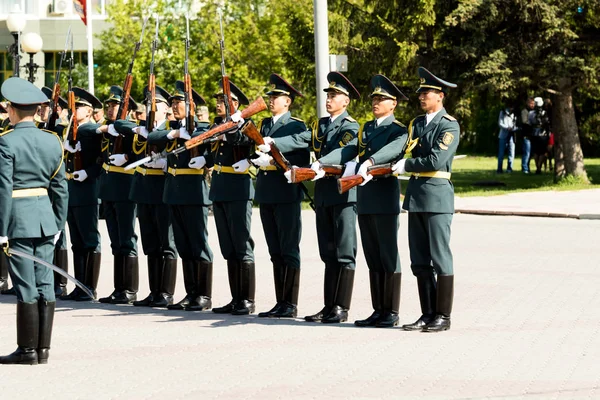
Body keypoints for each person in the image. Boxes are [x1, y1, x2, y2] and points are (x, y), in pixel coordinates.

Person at [257, 71, 360, 323]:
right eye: (328, 95)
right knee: (328, 252)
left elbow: (344, 150)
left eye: (334, 96)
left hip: (342, 193)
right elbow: (299, 139)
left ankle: (341, 307)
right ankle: (328, 306)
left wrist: (320, 163)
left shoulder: (351, 126)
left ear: (345, 101)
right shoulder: (320, 125)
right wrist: (272, 142)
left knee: (343, 252)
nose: (329, 99)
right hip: (324, 194)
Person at [318, 74, 408, 328]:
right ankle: (378, 309)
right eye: (374, 98)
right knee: (373, 256)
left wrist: (369, 162)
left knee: (388, 255)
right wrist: (323, 162)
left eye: (381, 99)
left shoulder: (398, 129)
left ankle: (391, 311)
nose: (375, 102)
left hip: (384, 197)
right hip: (366, 198)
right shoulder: (367, 128)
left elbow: (393, 150)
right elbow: (350, 149)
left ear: (394, 104)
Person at [0, 77, 68, 364]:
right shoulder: (52, 141)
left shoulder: (6, 142)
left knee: (25, 284)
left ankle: (27, 350)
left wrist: (1, 229)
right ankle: (43, 349)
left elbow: (3, 188)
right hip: (45, 220)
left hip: (17, 219)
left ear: (12, 111)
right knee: (45, 282)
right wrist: (58, 225)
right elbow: (61, 188)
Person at [393, 67, 460, 333]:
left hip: (437, 196)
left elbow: (436, 160)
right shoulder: (417, 124)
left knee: (440, 257)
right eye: (421, 92)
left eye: (427, 92)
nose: (422, 96)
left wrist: (406, 165)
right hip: (417, 197)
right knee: (419, 260)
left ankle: (443, 316)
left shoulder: (448, 124)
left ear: (440, 96)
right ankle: (427, 313)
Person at [148, 81, 214, 311]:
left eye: (179, 102)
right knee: (184, 245)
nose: (175, 106)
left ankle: (204, 295)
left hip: (194, 192)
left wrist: (197, 141)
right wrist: (175, 132)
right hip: (174, 192)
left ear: (191, 105)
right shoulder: (172, 129)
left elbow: (210, 139)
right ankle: (190, 293)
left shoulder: (202, 127)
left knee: (198, 244)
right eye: (173, 102)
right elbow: (151, 136)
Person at [250, 74, 309, 319]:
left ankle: (291, 303)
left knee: (288, 248)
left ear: (288, 102)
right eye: (271, 96)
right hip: (266, 192)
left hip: (286, 193)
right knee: (275, 250)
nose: (272, 100)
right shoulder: (264, 124)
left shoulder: (296, 125)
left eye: (277, 97)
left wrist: (274, 157)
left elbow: (302, 157)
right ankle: (280, 301)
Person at [115, 85, 179, 308]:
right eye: (148, 104)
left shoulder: (173, 128)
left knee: (166, 243)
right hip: (143, 190)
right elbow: (118, 124)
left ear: (165, 109)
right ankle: (154, 292)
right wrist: (136, 130)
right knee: (150, 244)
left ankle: (166, 293)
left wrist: (165, 162)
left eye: (155, 104)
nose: (150, 107)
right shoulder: (141, 128)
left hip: (162, 191)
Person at [78, 85, 139, 304]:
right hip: (108, 189)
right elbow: (83, 130)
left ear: (128, 109)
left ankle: (130, 289)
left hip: (125, 189)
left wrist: (128, 158)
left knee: (127, 239)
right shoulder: (106, 128)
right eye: (110, 105)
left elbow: (140, 151)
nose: (111, 109)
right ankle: (119, 287)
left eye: (116, 105)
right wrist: (104, 130)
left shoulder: (133, 128)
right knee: (115, 241)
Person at [209, 80, 257, 316]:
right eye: (218, 101)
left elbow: (247, 141)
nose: (219, 104)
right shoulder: (217, 124)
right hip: (219, 188)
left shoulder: (246, 123)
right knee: (228, 247)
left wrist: (231, 131)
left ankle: (247, 299)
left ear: (236, 104)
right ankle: (235, 298)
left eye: (223, 101)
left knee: (241, 244)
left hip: (238, 190)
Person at [530, 97, 550, 175]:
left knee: (536, 152)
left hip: (535, 133)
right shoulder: (545, 113)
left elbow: (530, 122)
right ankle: (539, 166)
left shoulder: (531, 113)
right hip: (543, 134)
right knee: (542, 152)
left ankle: (537, 167)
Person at [497, 105, 517, 173]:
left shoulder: (515, 114)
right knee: (501, 153)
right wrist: (507, 127)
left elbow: (516, 124)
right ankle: (499, 169)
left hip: (512, 135)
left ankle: (509, 168)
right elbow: (500, 123)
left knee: (511, 152)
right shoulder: (502, 112)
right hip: (503, 135)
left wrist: (513, 128)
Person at [520, 97, 535, 174]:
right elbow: (524, 121)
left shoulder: (534, 112)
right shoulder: (524, 111)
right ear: (527, 103)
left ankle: (527, 167)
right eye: (531, 103)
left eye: (533, 103)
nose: (532, 105)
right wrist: (532, 123)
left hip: (532, 135)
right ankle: (524, 168)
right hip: (526, 135)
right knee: (527, 152)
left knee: (531, 153)